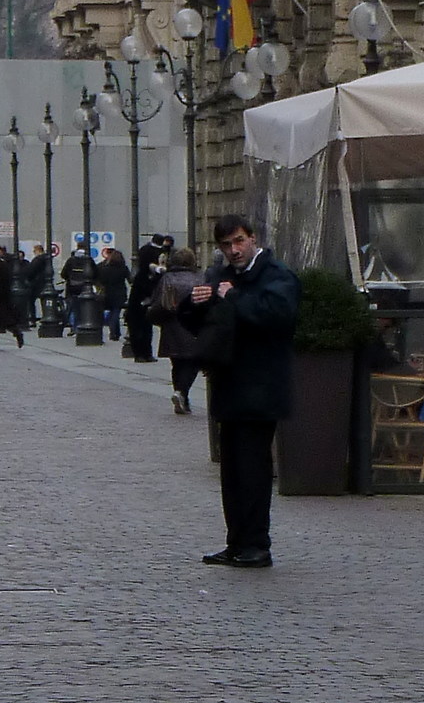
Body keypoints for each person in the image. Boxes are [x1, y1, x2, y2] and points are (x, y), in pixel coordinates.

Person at [182, 214, 298, 567]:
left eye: (238, 242)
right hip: (229, 384)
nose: (232, 251)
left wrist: (233, 298)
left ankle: (257, 544)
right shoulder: (219, 276)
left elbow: (277, 316)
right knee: (231, 470)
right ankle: (236, 542)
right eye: (225, 245)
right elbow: (198, 325)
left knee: (252, 468)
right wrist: (194, 303)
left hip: (261, 387)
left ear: (252, 238)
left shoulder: (276, 275)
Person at [155, 246, 206, 413]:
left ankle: (181, 396)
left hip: (171, 325)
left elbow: (158, 301)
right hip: (192, 326)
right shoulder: (199, 278)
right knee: (192, 363)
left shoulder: (167, 278)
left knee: (176, 363)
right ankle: (182, 393)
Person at [125, 237, 169, 363]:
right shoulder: (145, 275)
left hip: (145, 297)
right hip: (141, 298)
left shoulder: (148, 273)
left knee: (145, 327)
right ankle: (141, 353)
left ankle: (145, 353)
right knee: (140, 326)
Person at [97, 246, 129, 341]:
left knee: (111, 312)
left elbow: (99, 279)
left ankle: (115, 332)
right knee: (116, 312)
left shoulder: (103, 268)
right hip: (120, 293)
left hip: (107, 292)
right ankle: (114, 332)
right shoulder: (123, 268)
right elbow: (130, 279)